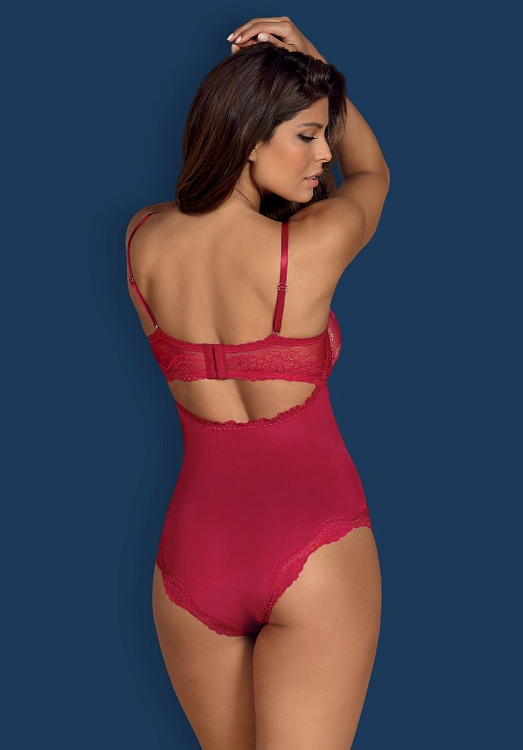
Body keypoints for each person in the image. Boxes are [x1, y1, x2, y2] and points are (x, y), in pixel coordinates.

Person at [125, 16, 390, 750]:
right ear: (248, 135)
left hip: (191, 558)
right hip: (314, 545)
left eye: (324, 135)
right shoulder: (310, 247)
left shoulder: (142, 239)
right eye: (306, 134)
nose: (324, 153)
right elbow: (372, 175)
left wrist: (305, 84)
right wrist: (315, 56)